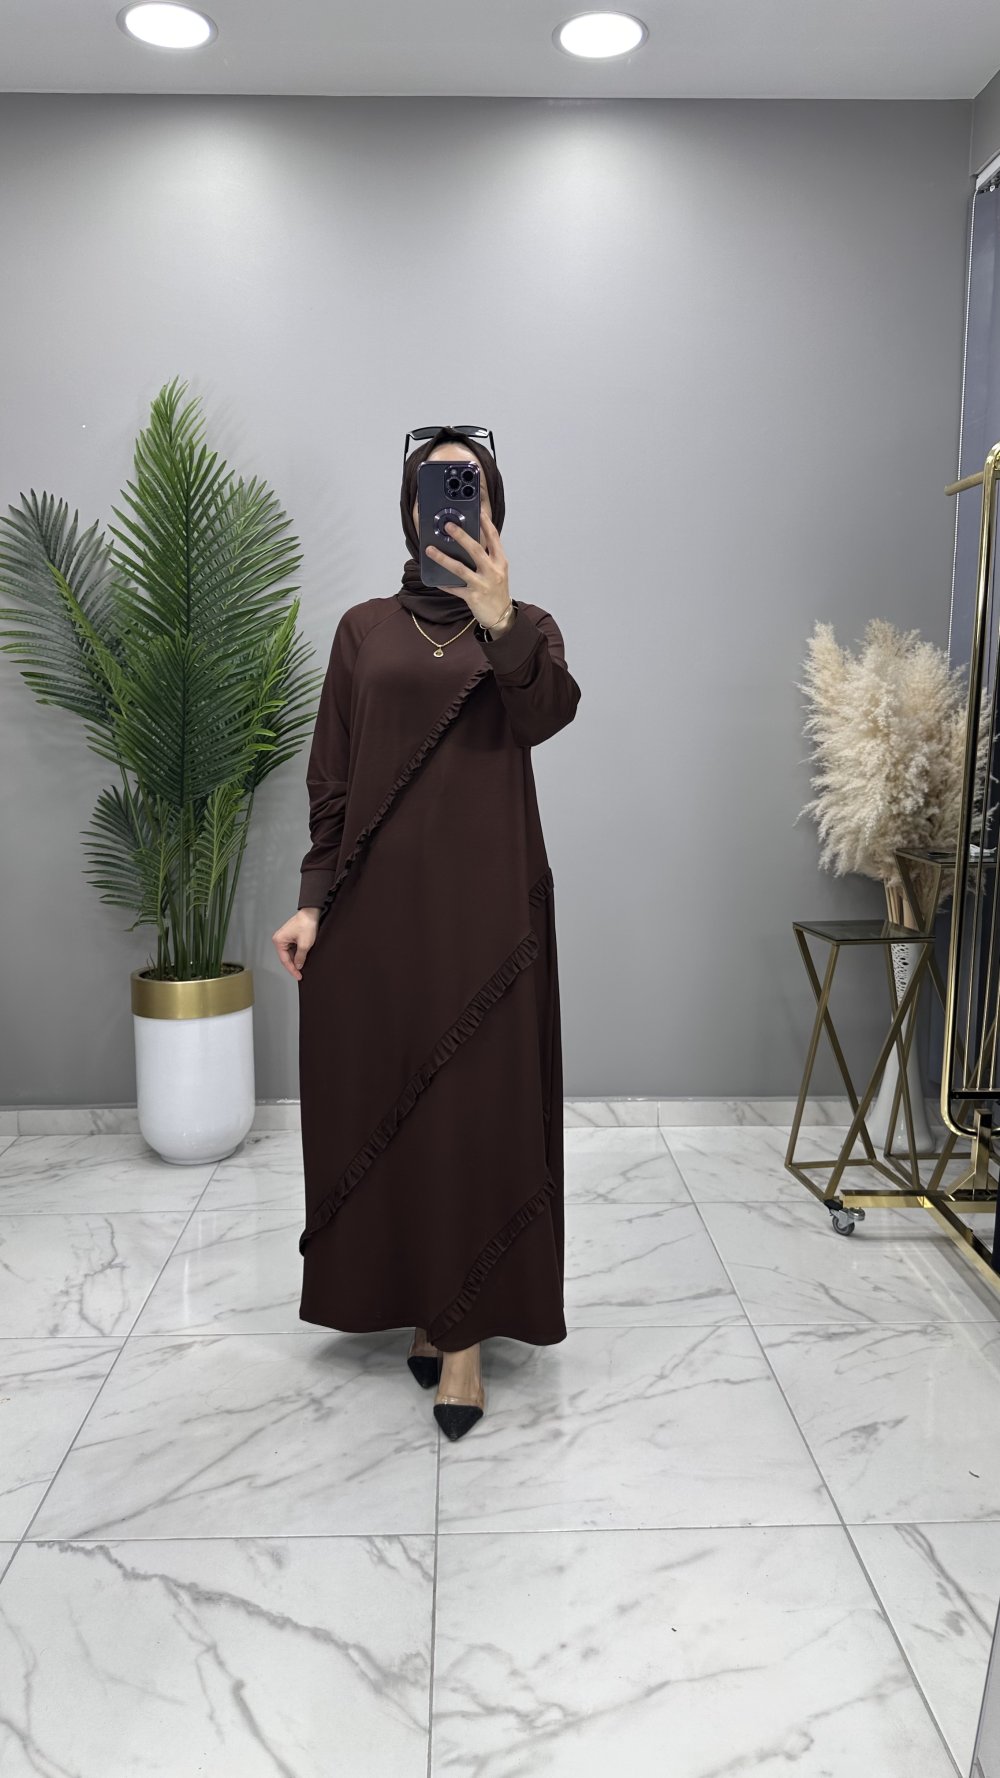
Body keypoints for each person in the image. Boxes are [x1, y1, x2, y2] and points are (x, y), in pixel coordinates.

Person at [272, 426, 581, 1441]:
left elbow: (548, 717)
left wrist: (501, 622)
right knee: (396, 1112)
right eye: (435, 486)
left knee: (477, 1117)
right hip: (377, 917)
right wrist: (313, 899)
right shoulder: (362, 629)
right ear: (410, 510)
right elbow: (332, 776)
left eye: (469, 485)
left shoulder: (528, 625)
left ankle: (463, 1342)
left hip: (488, 916)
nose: (451, 502)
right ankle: (421, 1297)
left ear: (493, 507)